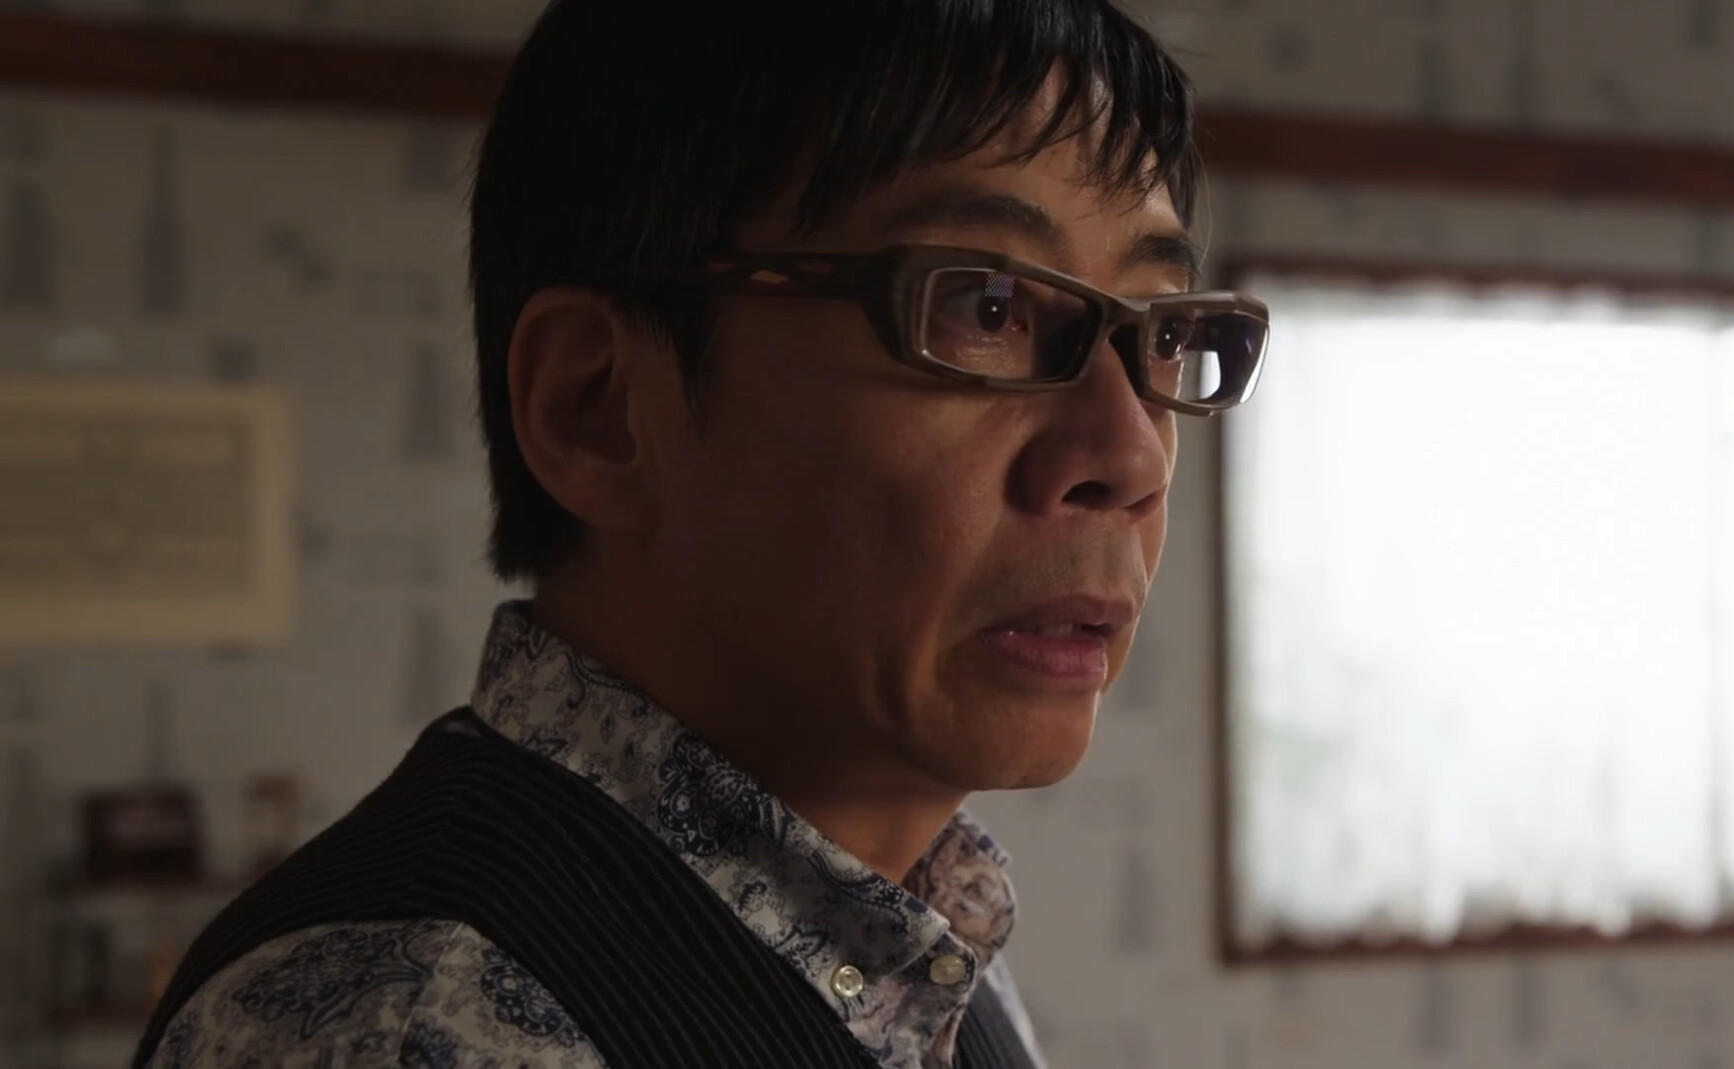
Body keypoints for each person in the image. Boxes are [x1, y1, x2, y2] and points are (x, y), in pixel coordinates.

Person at [135, 0, 1267, 1065]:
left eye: (1162, 336)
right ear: (597, 405)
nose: (1130, 456)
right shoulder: (424, 1025)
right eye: (986, 308)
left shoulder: (907, 936)